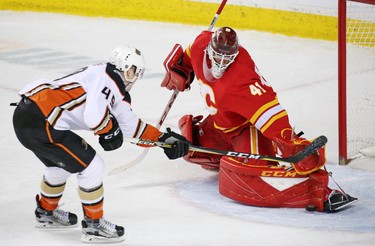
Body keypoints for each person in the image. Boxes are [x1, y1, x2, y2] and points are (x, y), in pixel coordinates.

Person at [160, 27, 357, 212]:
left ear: (235, 55)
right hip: (218, 123)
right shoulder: (200, 44)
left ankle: (316, 193)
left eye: (227, 58)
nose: (221, 62)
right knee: (193, 148)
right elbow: (186, 55)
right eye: (217, 55)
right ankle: (224, 152)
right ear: (209, 48)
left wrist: (290, 143)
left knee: (253, 177)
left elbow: (270, 113)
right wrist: (181, 68)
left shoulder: (243, 78)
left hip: (245, 128)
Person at [12, 45, 189, 243]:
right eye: (132, 72)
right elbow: (94, 117)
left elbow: (131, 127)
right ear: (124, 67)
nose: (134, 77)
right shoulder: (109, 78)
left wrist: (163, 140)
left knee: (58, 167)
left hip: (29, 117)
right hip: (41, 121)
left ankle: (46, 212)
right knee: (93, 166)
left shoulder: (110, 83)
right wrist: (108, 130)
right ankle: (94, 226)